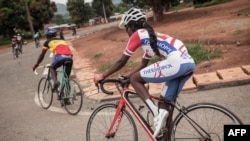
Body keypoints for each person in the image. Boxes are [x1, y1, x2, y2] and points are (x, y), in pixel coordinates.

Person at [93, 7, 195, 138]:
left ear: (131, 25)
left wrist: (103, 75)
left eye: (126, 28)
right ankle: (165, 133)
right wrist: (126, 77)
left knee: (136, 79)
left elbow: (121, 61)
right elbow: (143, 65)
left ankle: (156, 115)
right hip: (188, 64)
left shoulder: (138, 34)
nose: (127, 32)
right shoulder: (150, 39)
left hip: (177, 62)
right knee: (165, 105)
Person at [32, 28, 73, 97]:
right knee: (66, 79)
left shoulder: (47, 42)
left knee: (52, 67)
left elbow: (42, 55)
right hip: (70, 57)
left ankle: (56, 82)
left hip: (60, 56)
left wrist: (36, 64)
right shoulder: (62, 40)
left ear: (47, 36)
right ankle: (66, 98)